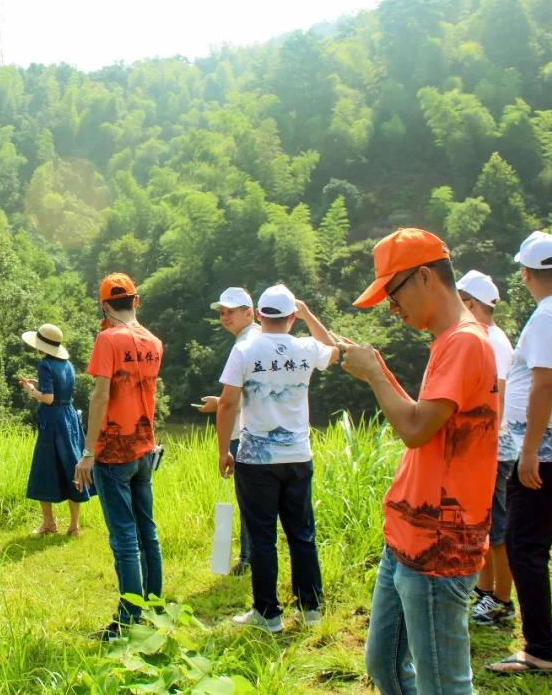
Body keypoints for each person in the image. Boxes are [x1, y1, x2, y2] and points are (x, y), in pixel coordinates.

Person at [341, 228, 498, 694]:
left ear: (425, 277)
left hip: (438, 548)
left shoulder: (465, 342)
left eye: (393, 294)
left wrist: (373, 372)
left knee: (443, 685)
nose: (393, 308)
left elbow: (413, 430)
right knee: (386, 666)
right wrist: (378, 369)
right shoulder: (451, 340)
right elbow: (425, 421)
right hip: (408, 538)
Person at [216, 285, 338, 632]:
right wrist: (310, 314)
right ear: (292, 317)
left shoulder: (246, 349)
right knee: (302, 533)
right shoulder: (305, 347)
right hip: (298, 456)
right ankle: (311, 608)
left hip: (256, 460)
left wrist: (224, 450)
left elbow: (227, 403)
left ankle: (268, 614)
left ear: (257, 315)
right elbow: (334, 349)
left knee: (263, 536)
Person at [74, 273, 163, 640]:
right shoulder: (155, 342)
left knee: (124, 537)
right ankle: (154, 605)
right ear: (136, 301)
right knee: (147, 531)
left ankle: (127, 619)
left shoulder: (108, 339)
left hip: (114, 452)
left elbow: (100, 396)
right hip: (145, 447)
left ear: (106, 306)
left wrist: (88, 452)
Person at [487, 231, 552, 675]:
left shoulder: (548, 316)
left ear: (528, 274)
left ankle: (540, 650)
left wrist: (529, 450)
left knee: (524, 547)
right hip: (547, 448)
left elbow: (546, 382)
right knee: (533, 545)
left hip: (545, 452)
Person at [456, 270, 517, 626]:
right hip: (486, 444)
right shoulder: (487, 336)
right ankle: (485, 591)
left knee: (498, 528)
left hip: (495, 445)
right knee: (485, 523)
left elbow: (498, 396)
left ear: (470, 303)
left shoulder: (490, 341)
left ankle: (502, 602)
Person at [197, 286, 260, 575]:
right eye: (222, 312)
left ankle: (249, 559)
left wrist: (223, 450)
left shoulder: (244, 345)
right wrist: (220, 400)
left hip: (243, 434)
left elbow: (233, 403)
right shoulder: (263, 338)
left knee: (249, 501)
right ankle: (252, 557)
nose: (224, 317)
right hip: (261, 432)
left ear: (250, 312)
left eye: (230, 312)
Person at [19, 323, 91, 536]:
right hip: (69, 417)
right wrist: (39, 383)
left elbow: (49, 398)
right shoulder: (67, 364)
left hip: (52, 422)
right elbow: (61, 391)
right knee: (72, 466)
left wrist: (33, 390)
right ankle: (74, 526)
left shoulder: (45, 364)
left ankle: (49, 523)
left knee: (45, 469)